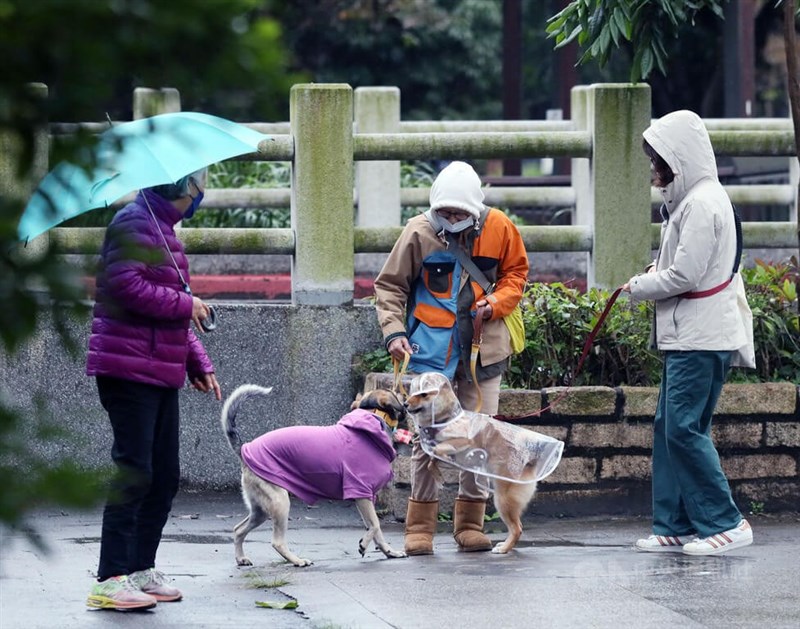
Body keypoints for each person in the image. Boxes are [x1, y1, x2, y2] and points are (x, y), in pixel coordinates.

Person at [373, 161, 528, 555]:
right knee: (428, 440)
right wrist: (394, 333)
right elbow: (389, 286)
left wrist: (495, 303)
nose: (454, 219)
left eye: (461, 213)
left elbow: (516, 274)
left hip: (483, 351)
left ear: (476, 208)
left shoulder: (500, 228)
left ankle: (470, 525)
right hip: (429, 352)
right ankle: (419, 527)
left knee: (479, 437)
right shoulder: (417, 232)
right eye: (446, 212)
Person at [85, 169, 222, 610]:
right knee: (134, 471)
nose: (202, 192)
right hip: (127, 370)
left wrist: (196, 361)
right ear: (183, 188)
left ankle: (141, 568)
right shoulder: (132, 221)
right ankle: (110, 578)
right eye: (199, 183)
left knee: (163, 475)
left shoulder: (161, 229)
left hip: (159, 367)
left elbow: (171, 302)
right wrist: (189, 303)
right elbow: (126, 287)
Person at [622, 110, 755, 556]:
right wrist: (655, 275)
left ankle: (726, 522)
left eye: (659, 161)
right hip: (693, 335)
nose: (655, 171)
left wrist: (639, 287)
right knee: (670, 428)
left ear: (679, 158)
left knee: (681, 429)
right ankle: (674, 524)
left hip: (701, 337)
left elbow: (683, 275)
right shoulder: (699, 198)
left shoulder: (701, 203)